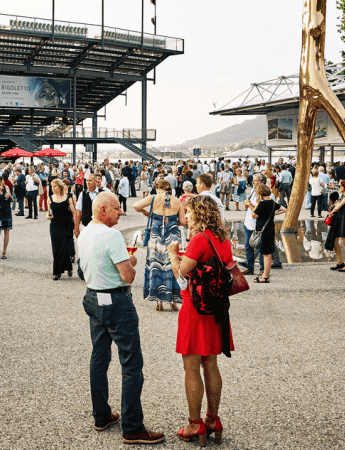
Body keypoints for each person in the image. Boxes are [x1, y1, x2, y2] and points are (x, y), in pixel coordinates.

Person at [77, 192, 164, 445]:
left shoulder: (85, 233)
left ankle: (101, 415)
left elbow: (90, 266)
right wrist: (131, 262)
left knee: (99, 358)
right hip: (116, 302)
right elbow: (128, 277)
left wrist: (122, 260)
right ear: (103, 210)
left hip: (93, 297)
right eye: (117, 209)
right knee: (131, 364)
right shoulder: (112, 235)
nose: (121, 212)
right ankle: (133, 426)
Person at [167, 196, 235, 445]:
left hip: (195, 309)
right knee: (212, 365)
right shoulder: (222, 238)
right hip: (216, 309)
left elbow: (181, 274)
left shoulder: (199, 239)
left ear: (199, 214)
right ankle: (213, 419)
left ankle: (194, 424)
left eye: (189, 212)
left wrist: (173, 255)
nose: (186, 216)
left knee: (191, 367)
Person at [133, 178, 184, 311]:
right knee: (172, 265)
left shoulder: (154, 198)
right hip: (172, 236)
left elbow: (136, 206)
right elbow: (183, 222)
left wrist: (147, 213)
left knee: (156, 265)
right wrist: (171, 222)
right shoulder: (177, 200)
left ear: (158, 188)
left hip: (156, 236)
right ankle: (173, 301)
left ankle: (158, 301)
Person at [47, 179, 77, 280]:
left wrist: (76, 226)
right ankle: (57, 272)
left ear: (60, 187)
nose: (53, 188)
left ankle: (68, 267)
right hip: (55, 225)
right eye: (52, 187)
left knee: (65, 248)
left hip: (66, 224)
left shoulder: (68, 197)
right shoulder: (50, 198)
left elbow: (73, 212)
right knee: (56, 248)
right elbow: (48, 212)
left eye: (55, 186)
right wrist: (48, 216)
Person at [326, 180, 345, 272]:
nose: (338, 187)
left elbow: (339, 206)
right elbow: (336, 205)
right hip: (339, 220)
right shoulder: (342, 196)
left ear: (344, 187)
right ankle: (340, 262)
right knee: (335, 241)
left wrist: (332, 212)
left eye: (339, 186)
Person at [0, 175, 14, 259]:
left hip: (7, 212)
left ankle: (4, 252)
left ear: (2, 181)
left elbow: (11, 200)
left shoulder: (6, 187)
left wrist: (8, 197)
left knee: (7, 232)